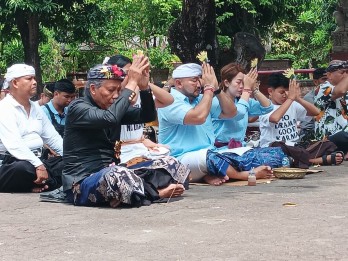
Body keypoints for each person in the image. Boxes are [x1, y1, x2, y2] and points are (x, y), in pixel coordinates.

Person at [62, 56, 188, 208]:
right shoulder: (78, 108)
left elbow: (146, 116)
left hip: (113, 170)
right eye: (110, 90)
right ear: (93, 89)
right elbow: (110, 118)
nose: (115, 96)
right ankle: (155, 193)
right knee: (117, 175)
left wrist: (144, 88)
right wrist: (132, 81)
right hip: (81, 183)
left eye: (118, 90)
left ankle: (129, 194)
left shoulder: (112, 108)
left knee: (171, 164)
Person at [158, 63, 274, 185]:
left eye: (200, 80)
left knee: (265, 153)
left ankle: (210, 173)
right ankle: (243, 175)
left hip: (210, 153)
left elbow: (232, 113)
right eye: (194, 81)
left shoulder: (202, 99)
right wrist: (209, 89)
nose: (199, 85)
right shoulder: (169, 101)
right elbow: (198, 117)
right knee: (210, 157)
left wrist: (217, 90)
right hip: (180, 159)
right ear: (179, 84)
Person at [0, 64, 63, 193]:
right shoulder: (4, 109)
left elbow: (53, 138)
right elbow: (15, 145)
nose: (34, 82)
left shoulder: (36, 109)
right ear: (15, 83)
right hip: (11, 163)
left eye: (34, 78)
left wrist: (72, 157)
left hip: (39, 161)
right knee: (22, 168)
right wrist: (38, 165)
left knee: (68, 162)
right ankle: (48, 183)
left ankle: (39, 183)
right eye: (29, 79)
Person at [259, 73, 343, 166]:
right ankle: (316, 161)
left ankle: (298, 160)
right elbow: (274, 118)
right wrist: (290, 98)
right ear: (270, 91)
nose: (285, 95)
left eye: (287, 92)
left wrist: (298, 98)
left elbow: (316, 112)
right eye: (282, 92)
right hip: (275, 149)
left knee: (326, 144)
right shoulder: (265, 107)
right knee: (278, 146)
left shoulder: (292, 104)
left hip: (296, 147)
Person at [106, 54, 173, 163]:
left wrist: (144, 84)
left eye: (133, 73)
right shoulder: (110, 99)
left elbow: (168, 100)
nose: (132, 76)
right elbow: (130, 101)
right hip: (121, 151)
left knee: (170, 162)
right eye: (128, 73)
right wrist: (133, 82)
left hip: (139, 147)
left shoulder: (142, 94)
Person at [212, 63, 273, 147]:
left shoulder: (242, 100)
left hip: (241, 147)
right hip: (220, 150)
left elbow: (268, 107)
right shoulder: (216, 102)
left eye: (244, 83)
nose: (242, 86)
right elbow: (238, 114)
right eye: (238, 82)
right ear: (226, 83)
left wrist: (254, 89)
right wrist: (247, 90)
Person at [314, 60, 348, 161]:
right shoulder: (323, 88)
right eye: (342, 72)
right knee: (343, 135)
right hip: (328, 139)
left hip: (344, 136)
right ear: (329, 75)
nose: (345, 75)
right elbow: (340, 91)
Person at [299, 68, 327, 145]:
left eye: (328, 79)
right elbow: (318, 117)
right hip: (310, 130)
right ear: (315, 82)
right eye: (324, 79)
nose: (327, 82)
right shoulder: (310, 98)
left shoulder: (332, 94)